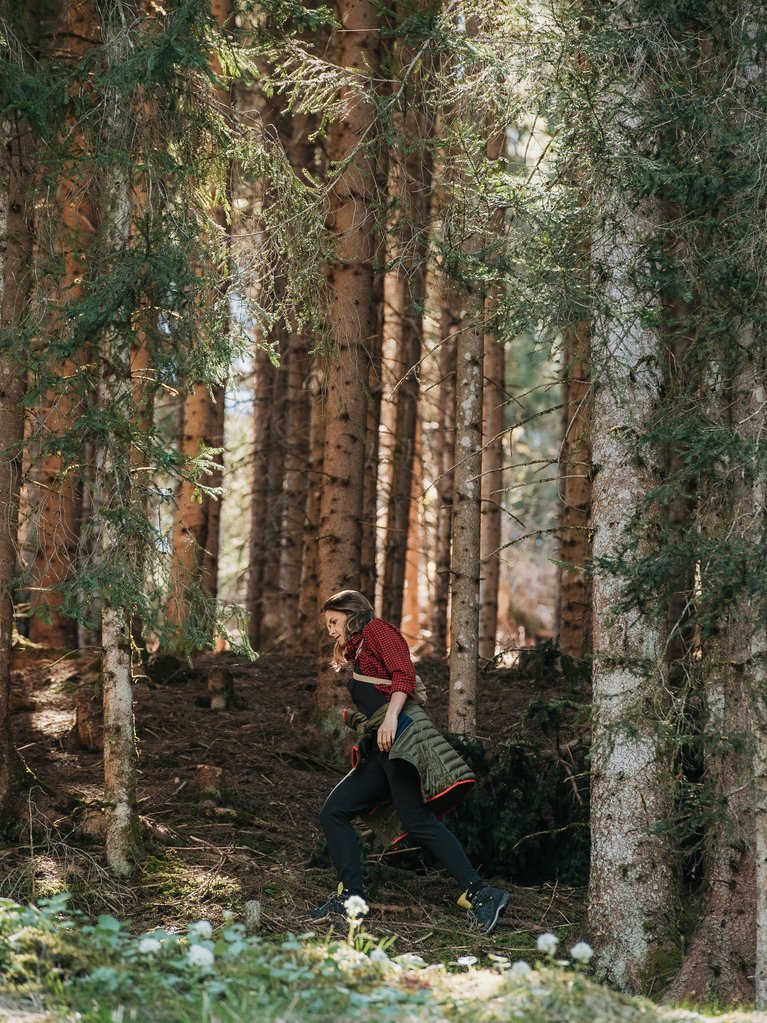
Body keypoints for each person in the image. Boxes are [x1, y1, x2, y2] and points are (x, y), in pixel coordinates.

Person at [309, 589, 510, 936]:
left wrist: (389, 720)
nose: (330, 630)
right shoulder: (358, 650)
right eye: (327, 624)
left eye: (334, 621)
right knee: (335, 811)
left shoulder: (377, 631)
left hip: (401, 736)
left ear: (352, 614)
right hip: (384, 744)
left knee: (417, 819)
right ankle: (351, 899)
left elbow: (403, 673)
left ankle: (480, 893)